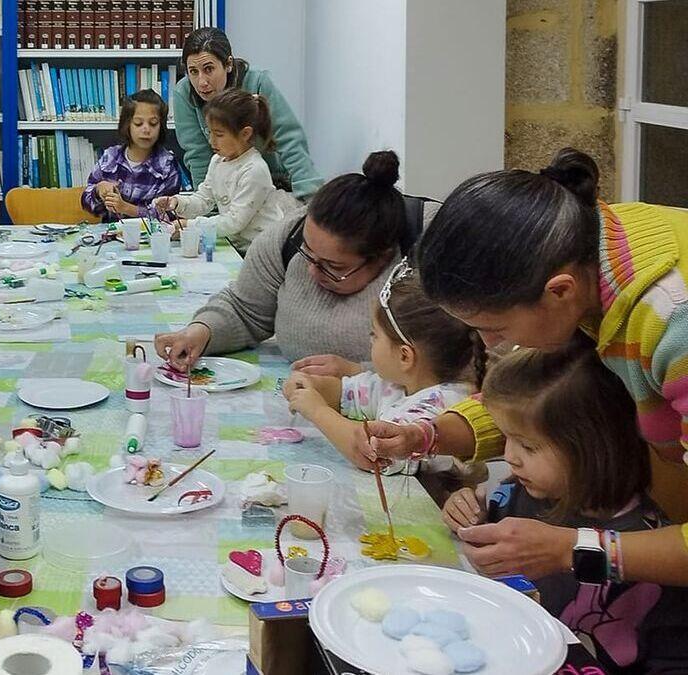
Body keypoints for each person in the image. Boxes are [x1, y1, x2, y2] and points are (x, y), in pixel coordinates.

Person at [363, 148, 688, 587]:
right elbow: (536, 397)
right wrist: (426, 436)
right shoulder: (585, 252)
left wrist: (571, 549)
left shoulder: (672, 321)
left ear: (560, 292)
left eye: (493, 327)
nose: (491, 345)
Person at [442, 344, 688, 672]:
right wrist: (465, 508)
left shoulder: (651, 552)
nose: (510, 456)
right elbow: (487, 536)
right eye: (506, 438)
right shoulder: (517, 492)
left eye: (528, 445)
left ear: (595, 448)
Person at [155, 151, 432, 372]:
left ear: (382, 257)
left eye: (333, 267)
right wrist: (201, 332)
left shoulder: (429, 254)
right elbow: (245, 308)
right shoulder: (287, 236)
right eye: (307, 252)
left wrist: (359, 375)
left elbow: (460, 370)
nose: (312, 270)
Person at [286, 261, 481, 471]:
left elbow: (371, 455)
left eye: (375, 335)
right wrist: (309, 386)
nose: (370, 341)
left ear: (405, 356)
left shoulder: (437, 407)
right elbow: (345, 394)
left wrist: (317, 411)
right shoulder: (396, 385)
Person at [171, 27, 321, 198]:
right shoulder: (183, 93)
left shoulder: (257, 82)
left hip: (272, 185)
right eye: (193, 72)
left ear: (228, 64)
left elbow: (289, 139)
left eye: (209, 69)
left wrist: (309, 197)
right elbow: (198, 156)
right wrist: (207, 210)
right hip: (227, 190)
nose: (201, 82)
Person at [153, 88, 287, 255]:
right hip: (234, 245)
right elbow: (204, 199)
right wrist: (177, 202)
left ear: (245, 134)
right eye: (210, 133)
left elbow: (234, 221)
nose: (211, 141)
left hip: (263, 251)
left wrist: (191, 225)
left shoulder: (254, 170)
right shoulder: (218, 160)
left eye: (219, 134)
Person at [81, 89, 181, 222]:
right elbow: (86, 202)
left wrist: (127, 208)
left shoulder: (167, 165)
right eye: (138, 123)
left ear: (161, 127)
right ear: (127, 125)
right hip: (112, 237)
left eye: (153, 123)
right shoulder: (110, 157)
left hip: (151, 239)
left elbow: (170, 214)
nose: (146, 129)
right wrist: (99, 190)